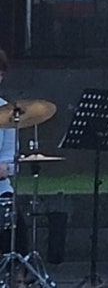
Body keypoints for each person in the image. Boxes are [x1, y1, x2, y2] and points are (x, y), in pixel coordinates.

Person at [0, 47, 29, 259]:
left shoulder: (7, 112)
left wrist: (5, 167)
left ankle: (17, 271)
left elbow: (11, 158)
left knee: (17, 225)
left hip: (0, 190)